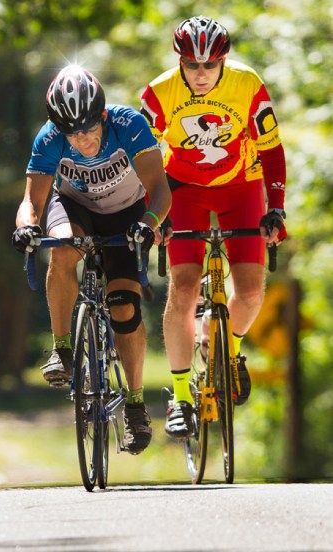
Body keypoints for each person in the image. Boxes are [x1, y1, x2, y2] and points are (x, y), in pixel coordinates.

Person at [140, 16, 287, 439]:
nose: (201, 75)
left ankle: (229, 351)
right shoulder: (158, 93)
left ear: (223, 60)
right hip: (183, 189)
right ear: (180, 61)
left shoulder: (247, 84)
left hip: (241, 184)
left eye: (209, 65)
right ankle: (181, 397)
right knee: (184, 286)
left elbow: (272, 151)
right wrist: (153, 216)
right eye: (192, 65)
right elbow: (142, 161)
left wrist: (275, 207)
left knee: (253, 288)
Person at [13, 64, 172, 454]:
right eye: (71, 132)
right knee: (63, 246)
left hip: (128, 213)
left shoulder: (128, 124)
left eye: (87, 128)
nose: (80, 140)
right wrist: (26, 227)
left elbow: (160, 190)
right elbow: (32, 202)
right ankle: (62, 347)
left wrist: (149, 223)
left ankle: (135, 406)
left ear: (102, 116)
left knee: (125, 309)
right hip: (75, 208)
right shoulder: (49, 138)